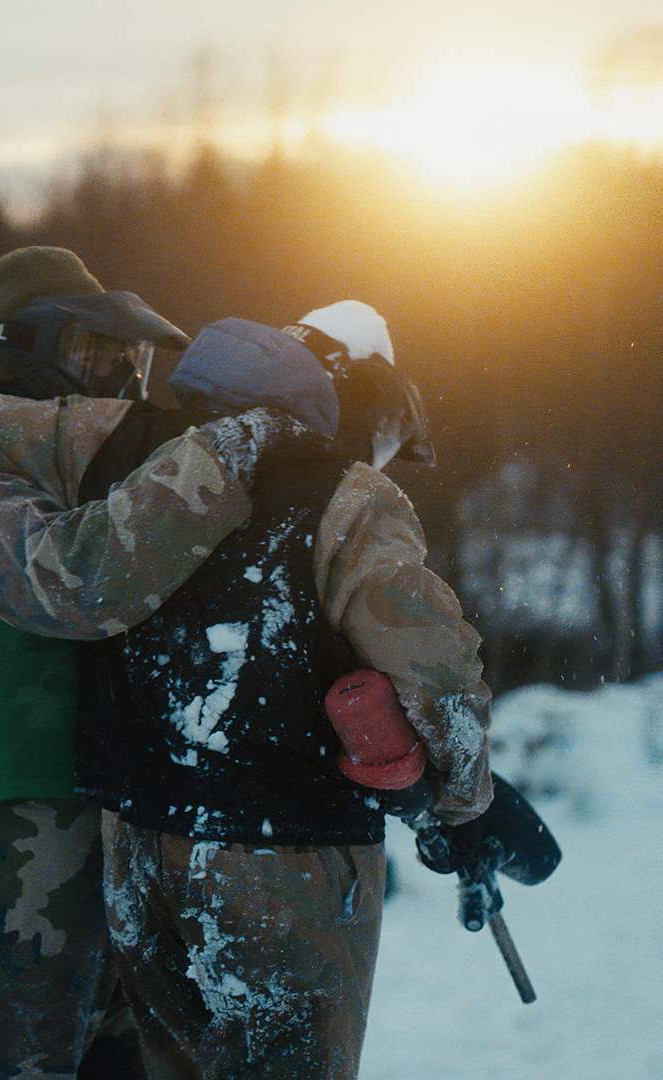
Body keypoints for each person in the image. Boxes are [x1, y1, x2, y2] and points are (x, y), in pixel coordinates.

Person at [0, 247, 320, 1080]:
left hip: (99, 827)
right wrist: (220, 458)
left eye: (127, 356)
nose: (120, 376)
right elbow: (81, 582)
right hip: (12, 838)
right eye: (96, 353)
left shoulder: (83, 488)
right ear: (24, 352)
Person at [78, 301, 492, 1079]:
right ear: (360, 394)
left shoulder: (158, 471)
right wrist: (464, 803)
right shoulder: (348, 497)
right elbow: (433, 671)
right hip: (282, 854)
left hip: (137, 843)